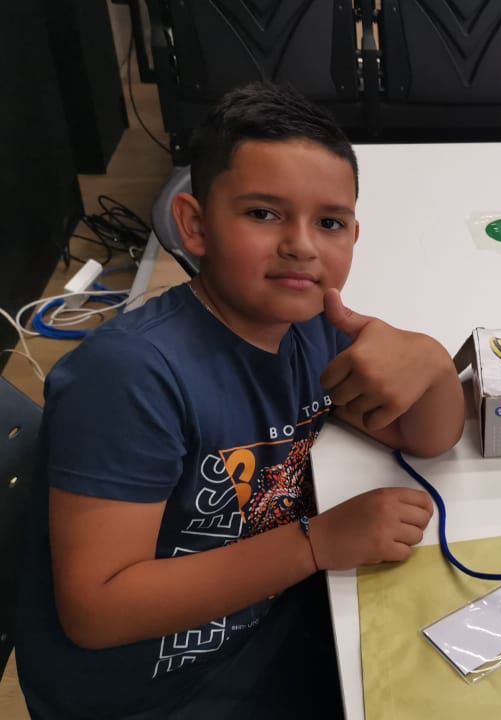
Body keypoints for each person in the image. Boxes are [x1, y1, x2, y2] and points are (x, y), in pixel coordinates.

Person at [16, 82, 465, 718]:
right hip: (152, 690)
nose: (302, 245)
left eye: (329, 223)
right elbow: (98, 611)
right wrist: (316, 544)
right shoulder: (128, 378)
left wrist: (432, 365)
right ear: (195, 225)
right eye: (263, 213)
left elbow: (427, 437)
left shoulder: (308, 328)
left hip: (259, 619)